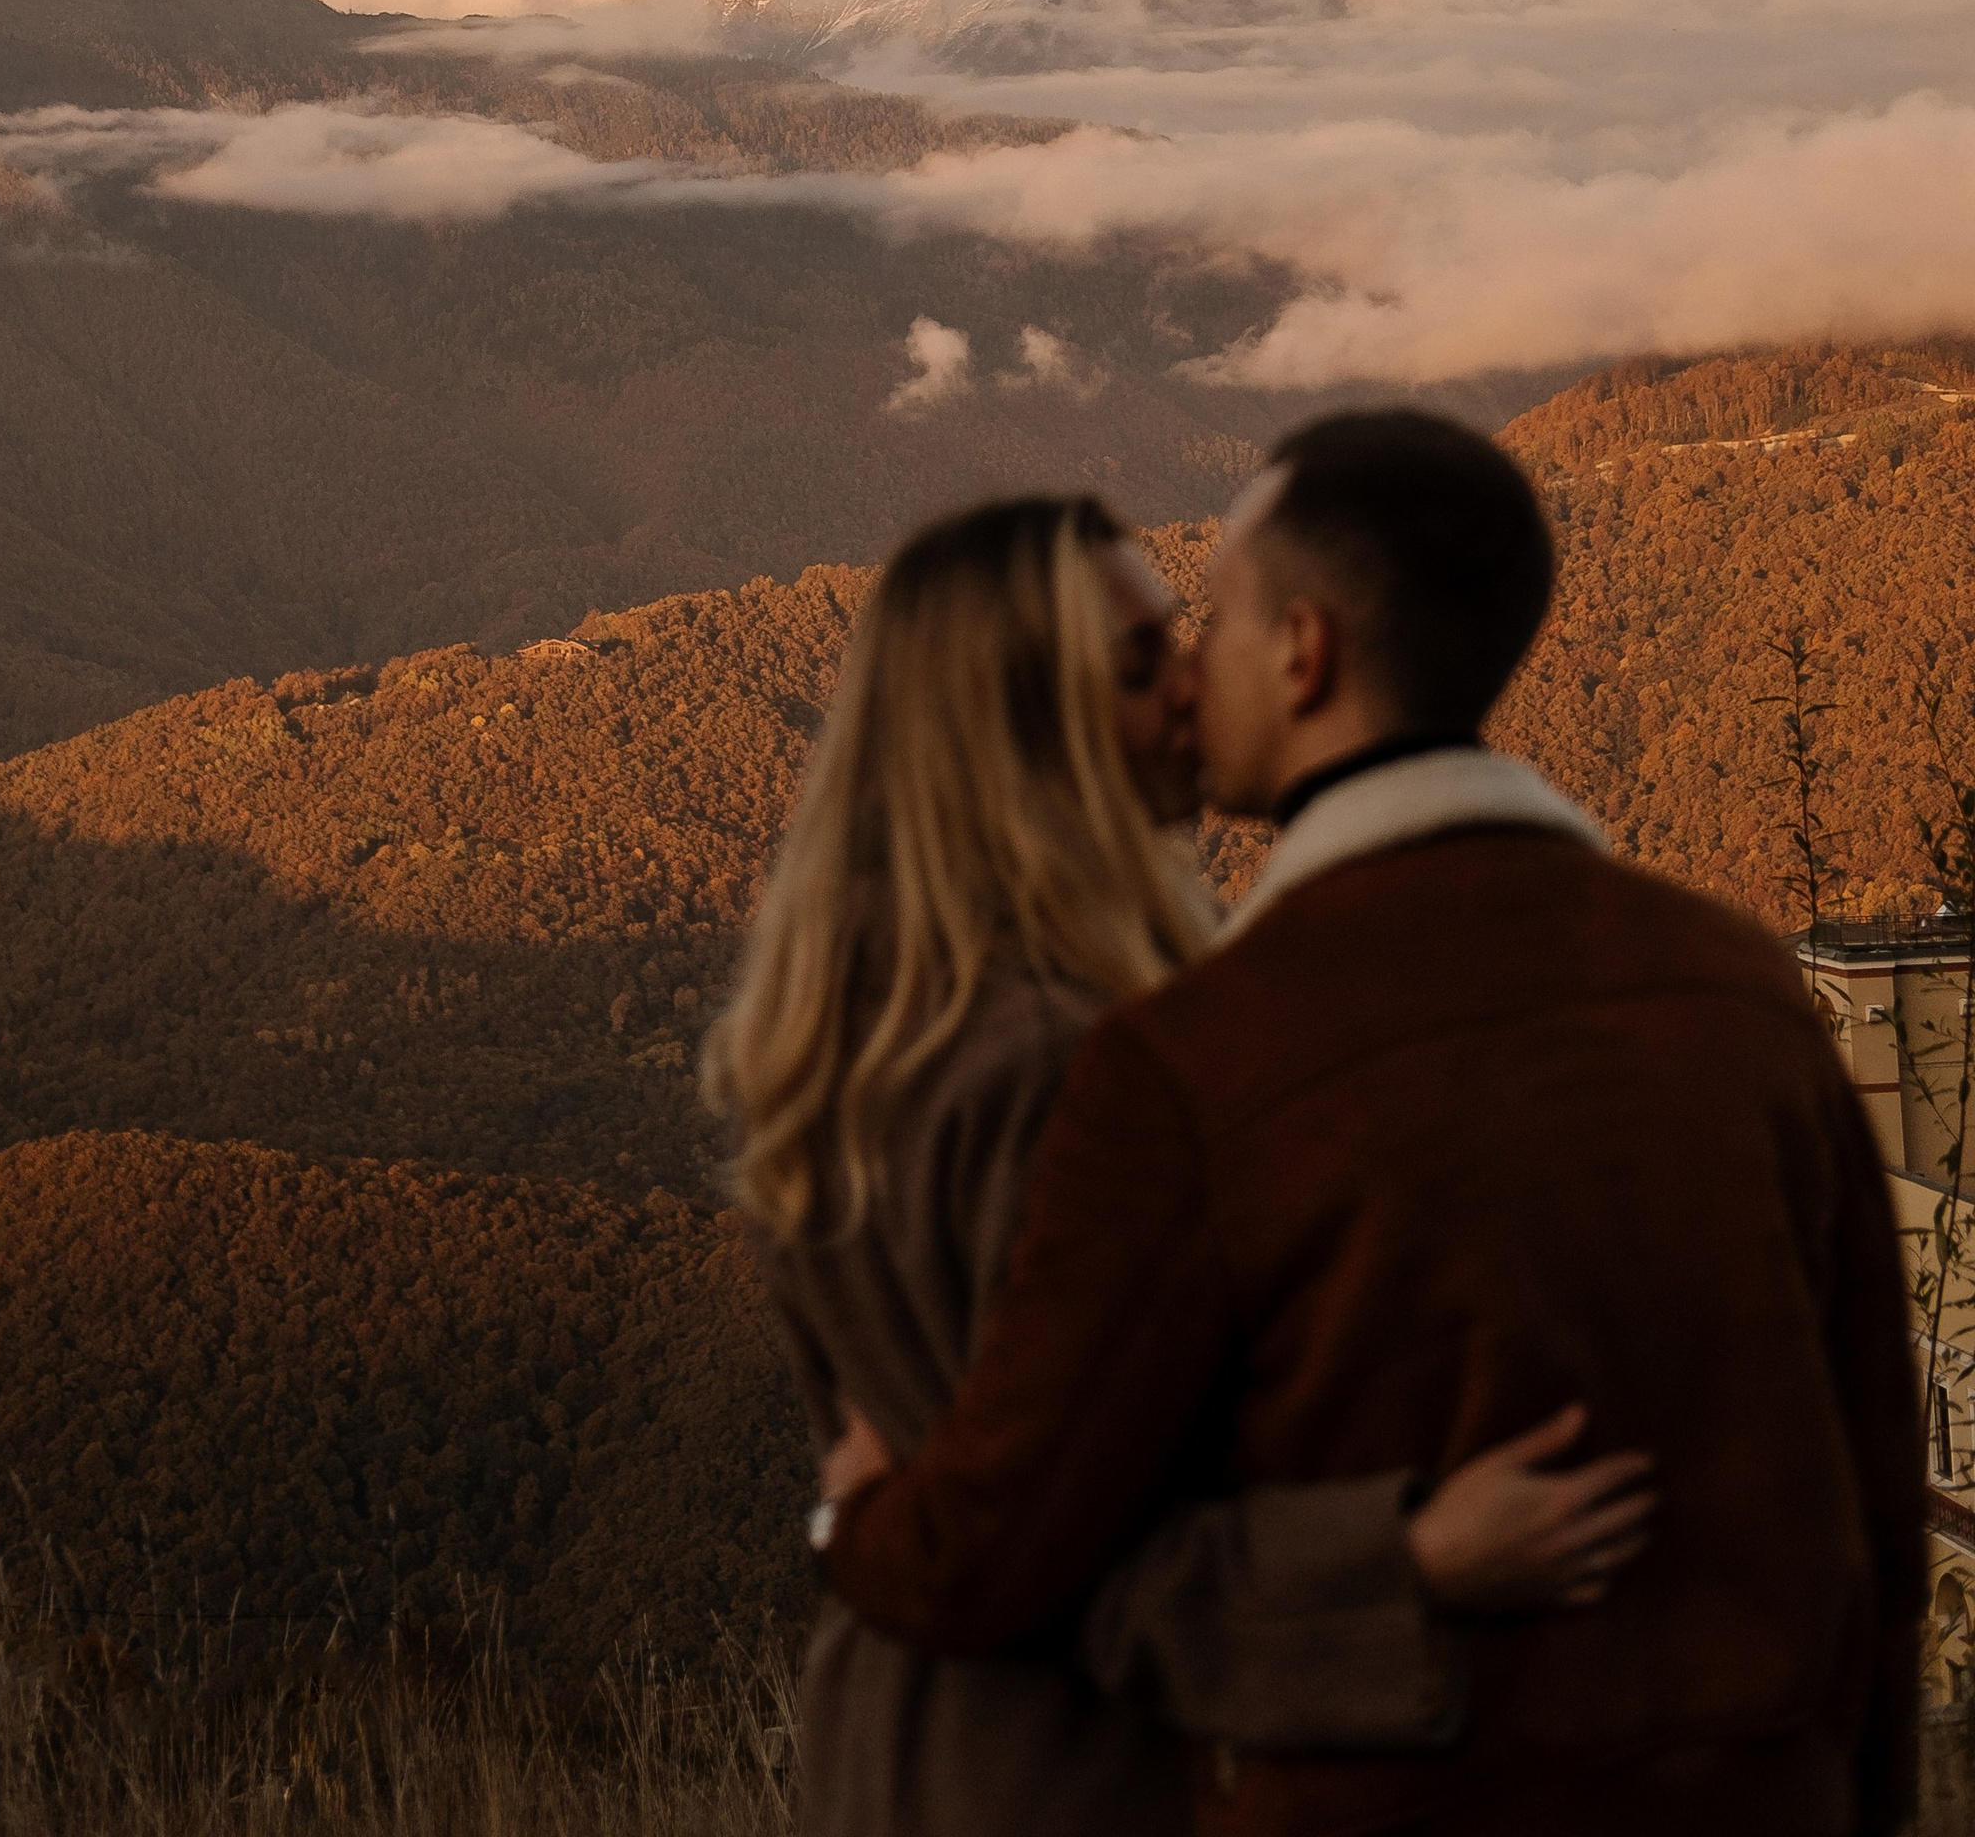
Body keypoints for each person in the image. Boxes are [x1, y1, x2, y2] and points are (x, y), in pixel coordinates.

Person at [816, 418, 1928, 1837]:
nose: (1188, 670)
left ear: (1303, 653)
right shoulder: (1744, 989)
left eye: (1212, 618)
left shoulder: (1197, 1062)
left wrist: (856, 1519)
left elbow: (1006, 1547)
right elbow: (1879, 1513)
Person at [706, 491, 1656, 1837]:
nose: (1191, 685)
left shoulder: (848, 1046)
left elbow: (969, 1508)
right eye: (1140, 662)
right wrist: (1413, 1559)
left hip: (899, 1740)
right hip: (1077, 1770)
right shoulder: (1062, 1069)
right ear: (1019, 729)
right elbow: (1075, 1566)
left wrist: (860, 1533)